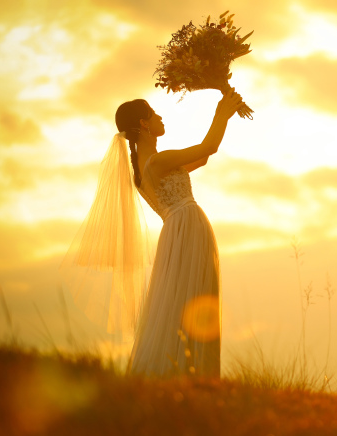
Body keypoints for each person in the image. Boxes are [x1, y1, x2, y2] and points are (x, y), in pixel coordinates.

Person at [61, 89, 245, 378]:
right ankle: (193, 374)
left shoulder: (145, 169)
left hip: (178, 231)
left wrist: (224, 110)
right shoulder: (157, 163)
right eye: (154, 114)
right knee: (194, 295)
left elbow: (205, 157)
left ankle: (184, 373)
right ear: (144, 125)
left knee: (182, 298)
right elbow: (209, 146)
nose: (160, 117)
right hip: (186, 227)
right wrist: (222, 111)